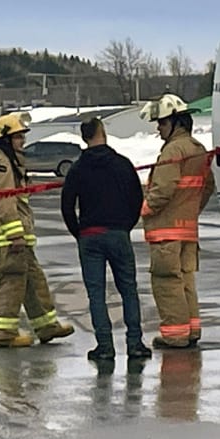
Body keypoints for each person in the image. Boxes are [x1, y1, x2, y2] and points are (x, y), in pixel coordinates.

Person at [60, 116, 151, 362]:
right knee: (128, 290)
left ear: (84, 137)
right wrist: (125, 226)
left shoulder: (78, 168)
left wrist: (78, 232)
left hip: (90, 236)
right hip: (118, 233)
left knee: (96, 294)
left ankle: (104, 346)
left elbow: (67, 205)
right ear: (103, 133)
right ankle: (134, 343)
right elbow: (136, 198)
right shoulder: (122, 164)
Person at [0, 112, 74, 348]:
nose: (23, 142)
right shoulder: (3, 164)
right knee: (12, 281)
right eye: (18, 138)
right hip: (13, 238)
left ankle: (46, 326)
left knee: (34, 281)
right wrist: (14, 234)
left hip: (21, 237)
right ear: (5, 140)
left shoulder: (11, 163)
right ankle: (4, 333)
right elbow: (4, 202)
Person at [139, 94, 215, 350]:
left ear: (175, 123)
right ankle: (191, 330)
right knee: (186, 282)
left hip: (166, 233)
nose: (159, 130)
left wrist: (145, 210)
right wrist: (192, 211)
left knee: (167, 283)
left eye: (161, 124)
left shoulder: (173, 150)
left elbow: (163, 188)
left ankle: (175, 335)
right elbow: (207, 186)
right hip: (188, 232)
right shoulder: (198, 148)